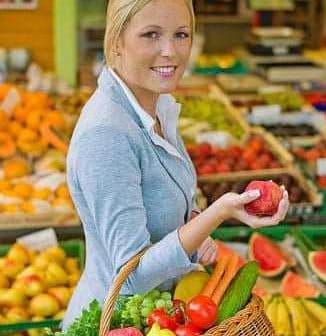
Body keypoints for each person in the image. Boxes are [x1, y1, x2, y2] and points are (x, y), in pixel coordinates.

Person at [62, 0, 289, 328]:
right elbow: (131, 277)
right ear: (115, 42)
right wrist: (218, 214)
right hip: (119, 324)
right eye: (151, 35)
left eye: (181, 35)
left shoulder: (158, 106)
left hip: (163, 319)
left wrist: (197, 224)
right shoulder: (106, 134)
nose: (170, 51)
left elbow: (167, 204)